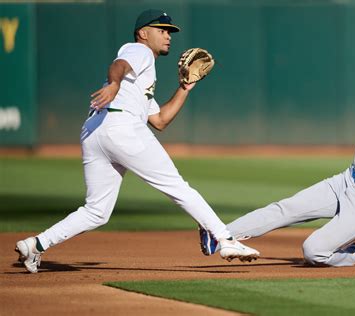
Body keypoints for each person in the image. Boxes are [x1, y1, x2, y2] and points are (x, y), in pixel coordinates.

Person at [15, 9, 259, 273]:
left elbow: (160, 121)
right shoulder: (139, 51)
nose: (168, 36)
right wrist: (113, 83)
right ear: (144, 33)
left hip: (95, 132)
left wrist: (185, 87)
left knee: (97, 211)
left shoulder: (140, 82)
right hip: (121, 127)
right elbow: (119, 65)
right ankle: (225, 239)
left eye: (170, 31)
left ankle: (36, 244)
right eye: (162, 30)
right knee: (177, 186)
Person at [199, 23, 355, 267]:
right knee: (285, 208)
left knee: (313, 251)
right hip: (347, 181)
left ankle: (350, 254)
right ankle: (219, 235)